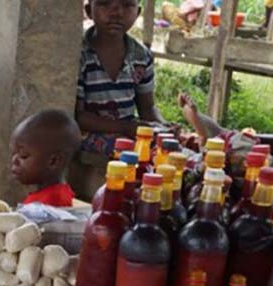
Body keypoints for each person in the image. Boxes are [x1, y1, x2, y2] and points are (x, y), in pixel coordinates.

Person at [76, 0, 167, 157]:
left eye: (126, 5)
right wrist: (125, 127)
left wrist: (162, 127)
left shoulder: (141, 56)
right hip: (88, 133)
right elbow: (79, 116)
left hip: (128, 132)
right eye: (104, 4)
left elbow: (147, 108)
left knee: (169, 147)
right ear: (89, 11)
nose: (116, 13)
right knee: (135, 151)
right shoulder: (80, 54)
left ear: (137, 13)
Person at [10, 110, 82, 207]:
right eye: (13, 153)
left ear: (53, 161)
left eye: (23, 155)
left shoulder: (49, 205)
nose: (14, 160)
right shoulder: (50, 196)